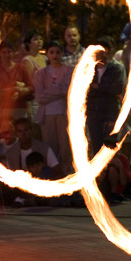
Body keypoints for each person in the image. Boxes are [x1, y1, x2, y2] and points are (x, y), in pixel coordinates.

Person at [33, 41, 74, 174]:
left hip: (63, 113)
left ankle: (67, 177)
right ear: (47, 54)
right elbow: (39, 97)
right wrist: (60, 91)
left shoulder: (69, 70)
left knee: (65, 149)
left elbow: (68, 90)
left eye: (57, 52)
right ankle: (52, 177)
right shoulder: (41, 74)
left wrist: (49, 91)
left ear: (61, 53)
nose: (55, 55)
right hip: (47, 115)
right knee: (50, 149)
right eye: (52, 52)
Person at [86, 37, 126, 153]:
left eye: (104, 51)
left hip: (110, 111)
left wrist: (98, 87)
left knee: (110, 145)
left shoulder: (116, 68)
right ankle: (101, 171)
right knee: (96, 145)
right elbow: (87, 89)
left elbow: (117, 88)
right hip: (93, 111)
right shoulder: (88, 69)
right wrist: (105, 88)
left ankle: (112, 169)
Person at [0, 41, 33, 130]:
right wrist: (12, 90)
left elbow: (31, 87)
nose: (7, 55)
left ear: (13, 53)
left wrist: (22, 90)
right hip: (2, 108)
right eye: (4, 52)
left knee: (21, 133)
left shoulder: (21, 68)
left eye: (9, 52)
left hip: (19, 107)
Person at [21, 29, 47, 119]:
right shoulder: (28, 60)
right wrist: (28, 104)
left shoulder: (45, 58)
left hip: (47, 98)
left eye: (40, 39)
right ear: (29, 43)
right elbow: (26, 83)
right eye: (35, 39)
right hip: (35, 100)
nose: (39, 41)